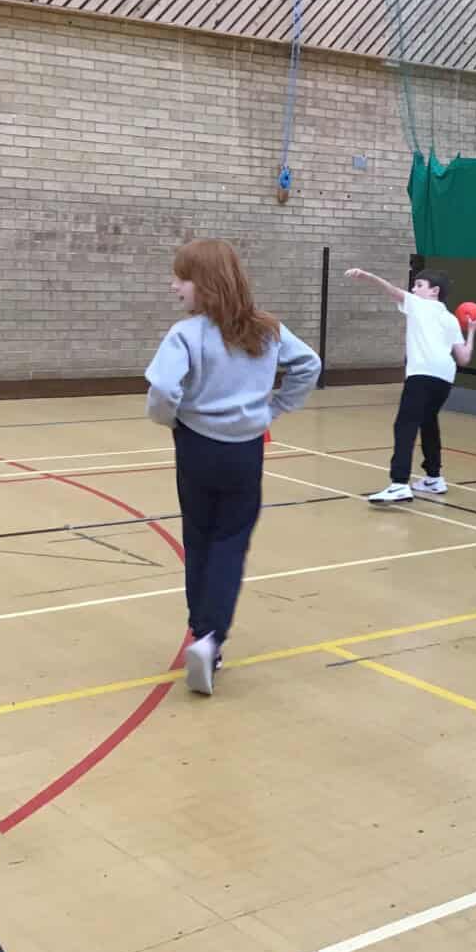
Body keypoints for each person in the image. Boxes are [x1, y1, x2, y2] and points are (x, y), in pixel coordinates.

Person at [145, 239, 322, 694]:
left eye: (181, 278)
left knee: (199, 538)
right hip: (245, 451)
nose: (174, 286)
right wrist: (274, 408)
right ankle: (211, 638)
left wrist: (171, 418)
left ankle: (201, 631)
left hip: (196, 448)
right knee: (230, 542)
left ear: (204, 284)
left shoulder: (185, 335)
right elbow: (309, 364)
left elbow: (162, 390)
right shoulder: (267, 330)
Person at [344, 265, 476, 503]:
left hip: (422, 375)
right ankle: (434, 478)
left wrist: (367, 276)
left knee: (405, 425)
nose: (413, 289)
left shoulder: (419, 304)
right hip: (445, 378)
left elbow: (391, 290)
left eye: (419, 285)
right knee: (428, 423)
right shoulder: (449, 319)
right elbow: (464, 358)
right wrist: (472, 330)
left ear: (434, 291)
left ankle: (399, 484)